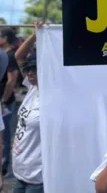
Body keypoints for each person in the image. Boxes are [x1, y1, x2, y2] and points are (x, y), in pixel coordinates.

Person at [11, 22, 43, 193]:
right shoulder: (32, 88)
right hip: (20, 169)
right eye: (28, 71)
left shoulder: (52, 98)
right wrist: (35, 35)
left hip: (37, 176)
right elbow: (19, 57)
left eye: (34, 71)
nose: (29, 74)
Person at [0, 27, 20, 175]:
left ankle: (4, 167)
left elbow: (11, 80)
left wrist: (4, 100)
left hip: (5, 102)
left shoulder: (9, 55)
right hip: (4, 100)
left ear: (5, 38)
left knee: (4, 135)